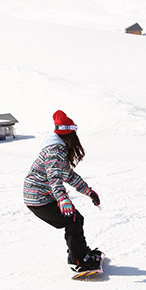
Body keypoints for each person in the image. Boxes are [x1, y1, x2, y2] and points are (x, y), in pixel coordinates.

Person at [24, 110, 102, 272]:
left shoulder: (58, 148)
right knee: (73, 220)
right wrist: (62, 199)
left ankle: (79, 254)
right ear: (70, 134)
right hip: (38, 198)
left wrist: (88, 192)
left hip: (41, 196)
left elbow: (69, 175)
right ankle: (80, 260)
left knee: (75, 219)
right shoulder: (55, 151)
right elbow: (54, 177)